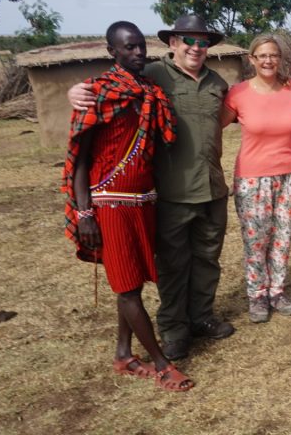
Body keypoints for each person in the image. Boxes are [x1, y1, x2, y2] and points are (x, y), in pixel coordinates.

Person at [69, 15, 234, 360]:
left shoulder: (218, 83)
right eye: (188, 40)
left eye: (202, 42)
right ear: (172, 43)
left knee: (207, 259)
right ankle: (174, 329)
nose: (195, 48)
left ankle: (201, 317)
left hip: (213, 189)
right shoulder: (153, 77)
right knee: (172, 264)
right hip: (172, 193)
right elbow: (110, 86)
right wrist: (76, 91)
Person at [62, 21, 193, 391]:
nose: (138, 53)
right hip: (109, 204)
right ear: (112, 52)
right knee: (127, 289)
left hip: (143, 201)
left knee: (132, 281)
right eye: (129, 48)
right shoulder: (98, 93)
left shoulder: (148, 92)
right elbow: (80, 159)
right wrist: (85, 212)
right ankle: (162, 365)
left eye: (140, 47)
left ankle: (123, 353)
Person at [221, 33, 291, 323]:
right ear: (252, 59)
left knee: (282, 237)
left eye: (274, 55)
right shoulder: (238, 93)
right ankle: (257, 296)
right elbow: (210, 127)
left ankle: (277, 292)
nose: (269, 61)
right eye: (262, 56)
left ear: (280, 59)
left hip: (288, 175)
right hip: (252, 178)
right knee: (256, 241)